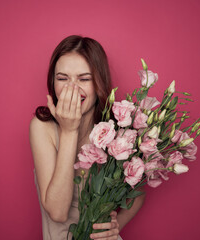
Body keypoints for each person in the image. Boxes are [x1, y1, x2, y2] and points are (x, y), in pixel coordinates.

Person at [29, 35, 145, 240]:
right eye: (62, 78)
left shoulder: (118, 130)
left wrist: (117, 225)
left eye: (84, 79)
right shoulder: (42, 127)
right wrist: (69, 131)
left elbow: (139, 190)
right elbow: (57, 212)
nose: (72, 88)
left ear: (99, 82)